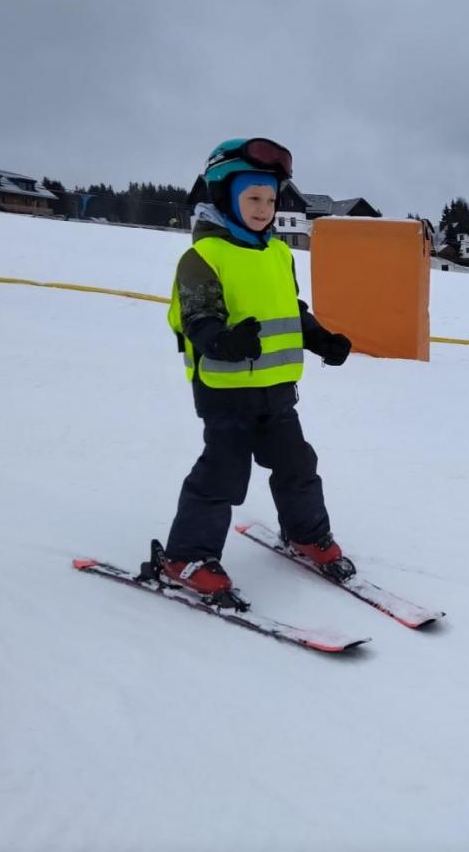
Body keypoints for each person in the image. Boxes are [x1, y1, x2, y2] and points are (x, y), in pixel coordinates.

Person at [152, 137, 355, 598]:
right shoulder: (202, 258)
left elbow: (290, 309)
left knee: (298, 465)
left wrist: (321, 339)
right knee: (222, 475)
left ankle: (306, 533)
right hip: (225, 394)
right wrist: (222, 340)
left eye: (269, 198)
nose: (264, 208)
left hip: (278, 392)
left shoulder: (278, 254)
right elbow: (198, 317)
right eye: (253, 198)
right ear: (225, 198)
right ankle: (186, 556)